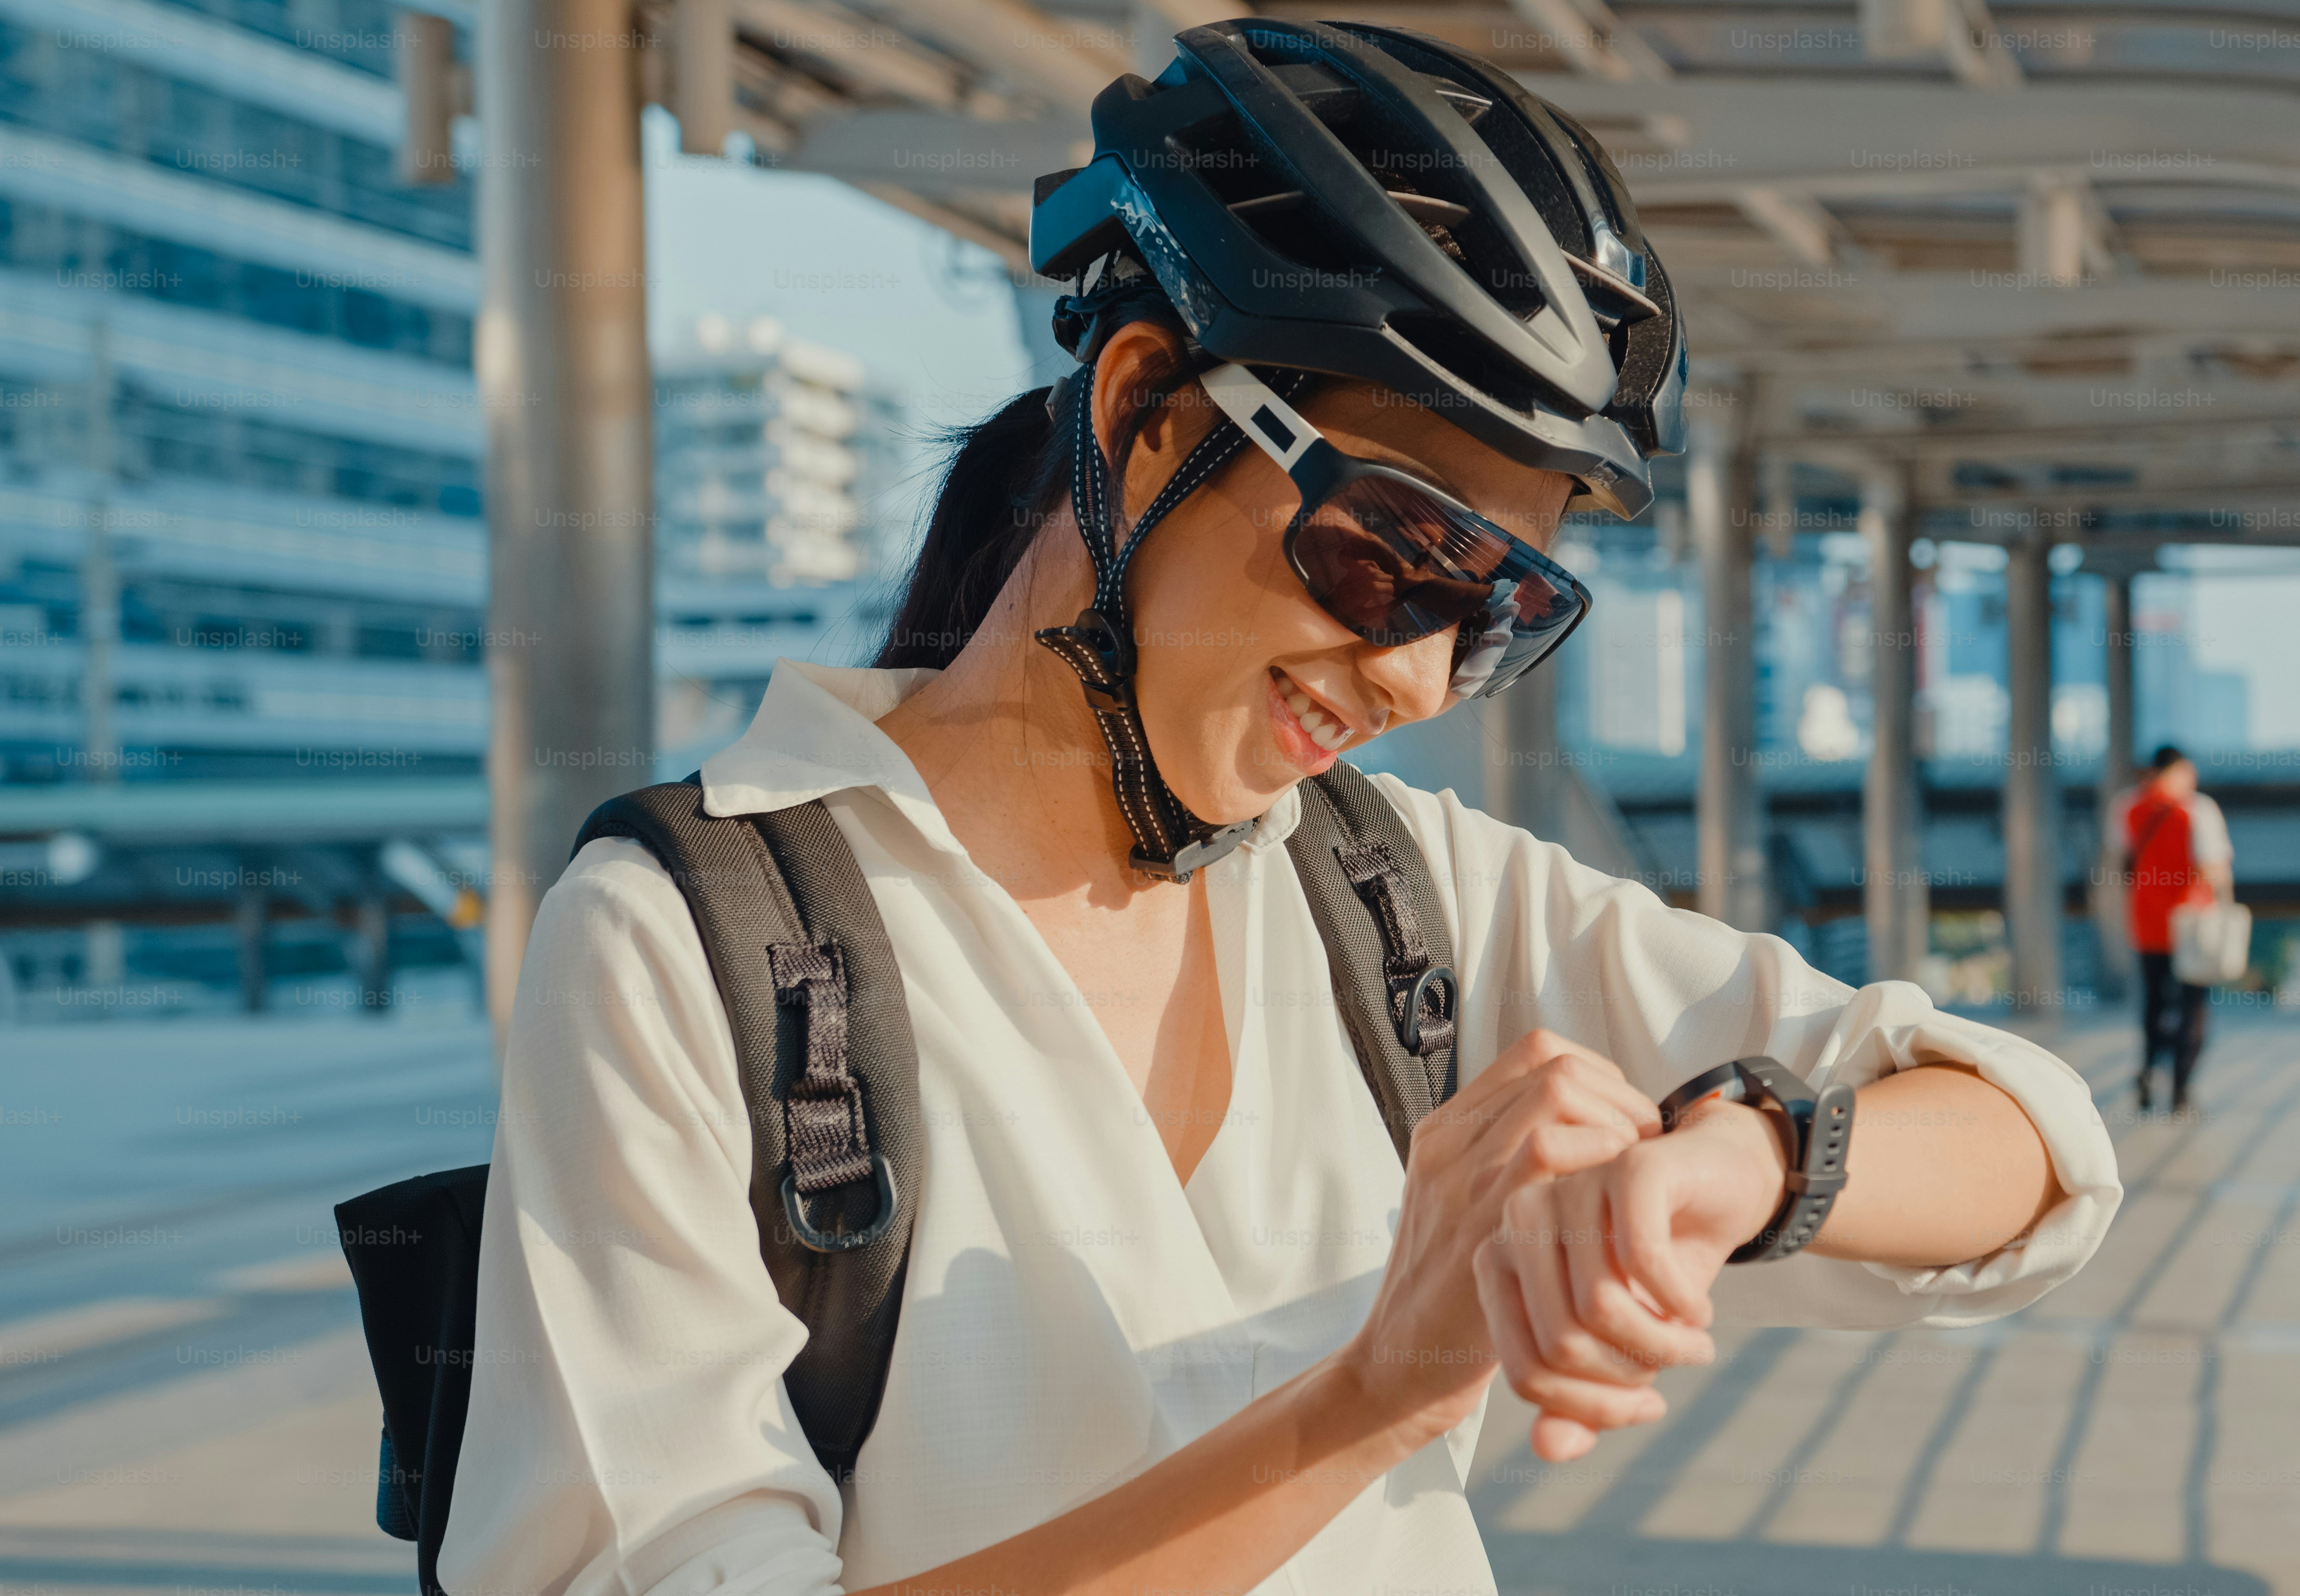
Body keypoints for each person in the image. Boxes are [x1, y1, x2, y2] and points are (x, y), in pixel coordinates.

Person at [442, 22, 2123, 1596]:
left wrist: (1733, 1161)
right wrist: (1378, 1390)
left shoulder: (1394, 901)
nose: (1412, 676)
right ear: (1145, 411)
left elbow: (2038, 1155)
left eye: (1499, 613)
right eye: (1392, 551)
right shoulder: (704, 949)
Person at [2112, 745, 2235, 1113]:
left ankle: (2150, 1070)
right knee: (2193, 1009)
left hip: (2148, 921)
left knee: (2154, 1002)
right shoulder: (2198, 809)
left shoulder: (2127, 806)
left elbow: (2123, 859)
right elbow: (2214, 868)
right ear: (2179, 771)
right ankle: (2181, 1091)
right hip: (2192, 925)